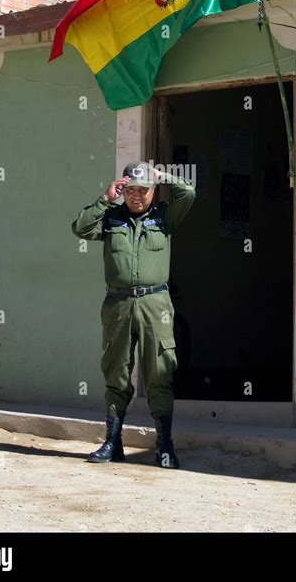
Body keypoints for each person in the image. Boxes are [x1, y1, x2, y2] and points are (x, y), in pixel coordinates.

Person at [71, 161, 195, 468]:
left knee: (160, 373)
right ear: (123, 190)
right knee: (116, 373)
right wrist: (105, 198)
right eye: (131, 190)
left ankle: (164, 445)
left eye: (143, 190)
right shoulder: (112, 218)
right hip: (119, 304)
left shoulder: (165, 216)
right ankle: (113, 443)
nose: (137, 196)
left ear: (152, 191)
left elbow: (189, 192)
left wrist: (161, 176)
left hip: (155, 304)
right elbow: (81, 227)